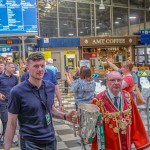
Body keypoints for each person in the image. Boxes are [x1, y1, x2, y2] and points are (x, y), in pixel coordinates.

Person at [4, 52, 77, 150]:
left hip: (51, 140)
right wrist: (7, 147)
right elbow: (11, 123)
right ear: (28, 69)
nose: (40, 69)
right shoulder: (17, 92)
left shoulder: (50, 87)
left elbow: (50, 109)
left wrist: (64, 116)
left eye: (42, 66)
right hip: (30, 143)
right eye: (36, 66)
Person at [91, 71, 150, 150]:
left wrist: (140, 141)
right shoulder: (98, 100)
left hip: (126, 143)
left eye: (119, 80)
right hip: (107, 145)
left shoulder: (128, 97)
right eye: (112, 80)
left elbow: (136, 121)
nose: (116, 83)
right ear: (107, 82)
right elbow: (90, 126)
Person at [0, 62, 18, 146]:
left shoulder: (15, 78)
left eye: (14, 67)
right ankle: (5, 140)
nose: (14, 69)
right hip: (3, 103)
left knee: (12, 122)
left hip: (13, 103)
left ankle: (6, 139)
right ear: (7, 68)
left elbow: (17, 89)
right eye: (12, 67)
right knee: (5, 121)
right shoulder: (0, 78)